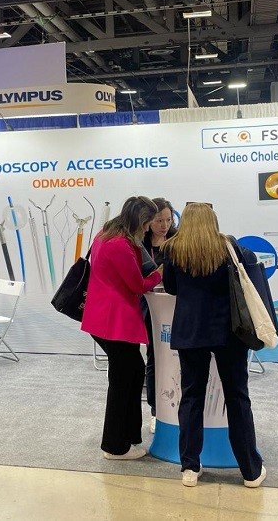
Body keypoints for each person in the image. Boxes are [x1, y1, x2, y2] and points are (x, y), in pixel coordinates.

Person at [161, 203, 266, 488]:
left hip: (190, 331)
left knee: (191, 397)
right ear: (213, 220)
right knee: (237, 397)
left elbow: (171, 287)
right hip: (228, 332)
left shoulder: (173, 249)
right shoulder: (229, 247)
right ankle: (250, 470)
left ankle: (190, 467)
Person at [81, 196, 163, 460]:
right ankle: (115, 446)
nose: (150, 228)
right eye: (150, 222)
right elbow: (137, 285)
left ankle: (127, 438)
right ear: (142, 220)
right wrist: (160, 273)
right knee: (123, 380)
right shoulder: (120, 244)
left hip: (103, 318)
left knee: (132, 372)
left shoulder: (105, 235)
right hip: (114, 321)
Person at [140, 197, 177, 433]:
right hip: (150, 308)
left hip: (175, 307)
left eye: (168, 220)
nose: (164, 225)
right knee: (154, 358)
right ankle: (156, 410)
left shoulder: (177, 241)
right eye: (159, 220)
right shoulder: (139, 244)